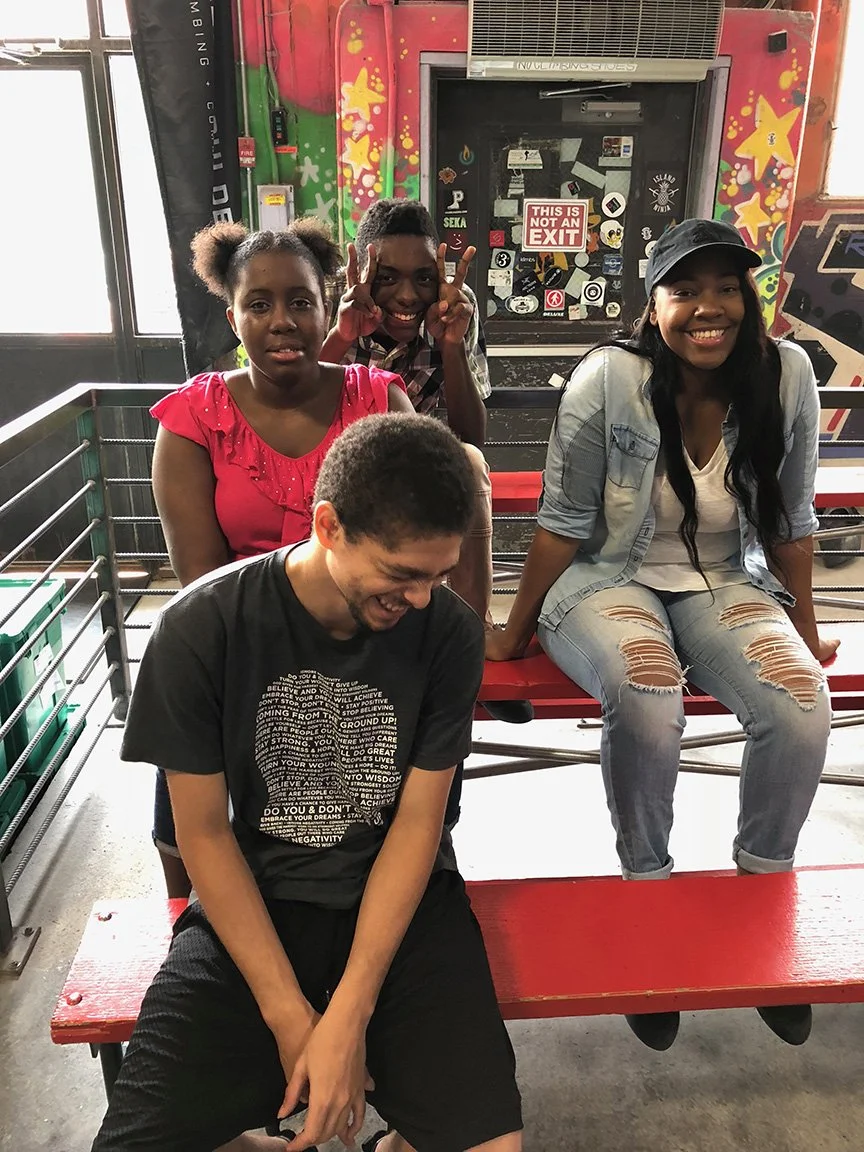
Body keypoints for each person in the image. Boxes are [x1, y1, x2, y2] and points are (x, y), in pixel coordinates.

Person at [93, 414, 523, 1152]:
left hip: (400, 902)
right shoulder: (202, 627)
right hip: (256, 900)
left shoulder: (447, 632)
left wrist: (349, 1017)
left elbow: (420, 824)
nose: (421, 599)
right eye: (400, 574)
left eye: (439, 575)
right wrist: (295, 1021)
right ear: (328, 525)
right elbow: (201, 832)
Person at [486, 218, 838, 1052]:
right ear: (655, 306)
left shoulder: (786, 376)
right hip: (607, 578)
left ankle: (759, 900)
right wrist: (512, 629)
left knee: (800, 706)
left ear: (752, 299)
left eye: (727, 287)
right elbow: (565, 520)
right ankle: (648, 897)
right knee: (646, 695)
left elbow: (790, 520)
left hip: (724, 581)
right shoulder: (608, 378)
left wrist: (808, 631)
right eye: (686, 290)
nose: (708, 307)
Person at [148, 218, 413, 902]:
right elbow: (203, 586)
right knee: (183, 803)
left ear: (329, 307)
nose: (282, 321)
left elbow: (411, 541)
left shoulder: (380, 401)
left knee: (383, 815)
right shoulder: (193, 421)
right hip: (238, 644)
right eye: (259, 304)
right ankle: (192, 924)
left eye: (300, 300)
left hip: (366, 637)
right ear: (233, 315)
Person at [320, 198, 533, 727]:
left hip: (427, 476)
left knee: (469, 460)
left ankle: (472, 639)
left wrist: (453, 346)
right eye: (387, 277)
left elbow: (471, 435)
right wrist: (344, 335)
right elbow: (299, 401)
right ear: (363, 272)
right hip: (342, 477)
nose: (407, 295)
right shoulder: (332, 306)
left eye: (422, 277)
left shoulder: (456, 309)